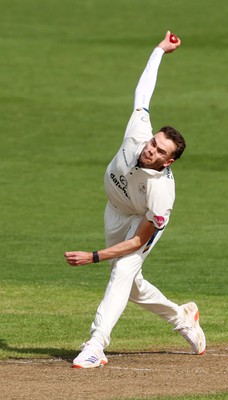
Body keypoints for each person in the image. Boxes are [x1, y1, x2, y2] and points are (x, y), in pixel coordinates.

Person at [64, 31, 206, 369]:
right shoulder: (139, 132)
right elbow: (143, 92)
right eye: (153, 142)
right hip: (114, 211)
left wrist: (94, 256)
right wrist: (159, 50)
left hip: (139, 222)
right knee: (131, 286)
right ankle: (183, 317)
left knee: (122, 271)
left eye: (159, 150)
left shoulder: (161, 194)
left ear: (167, 161)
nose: (150, 149)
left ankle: (96, 344)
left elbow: (138, 241)